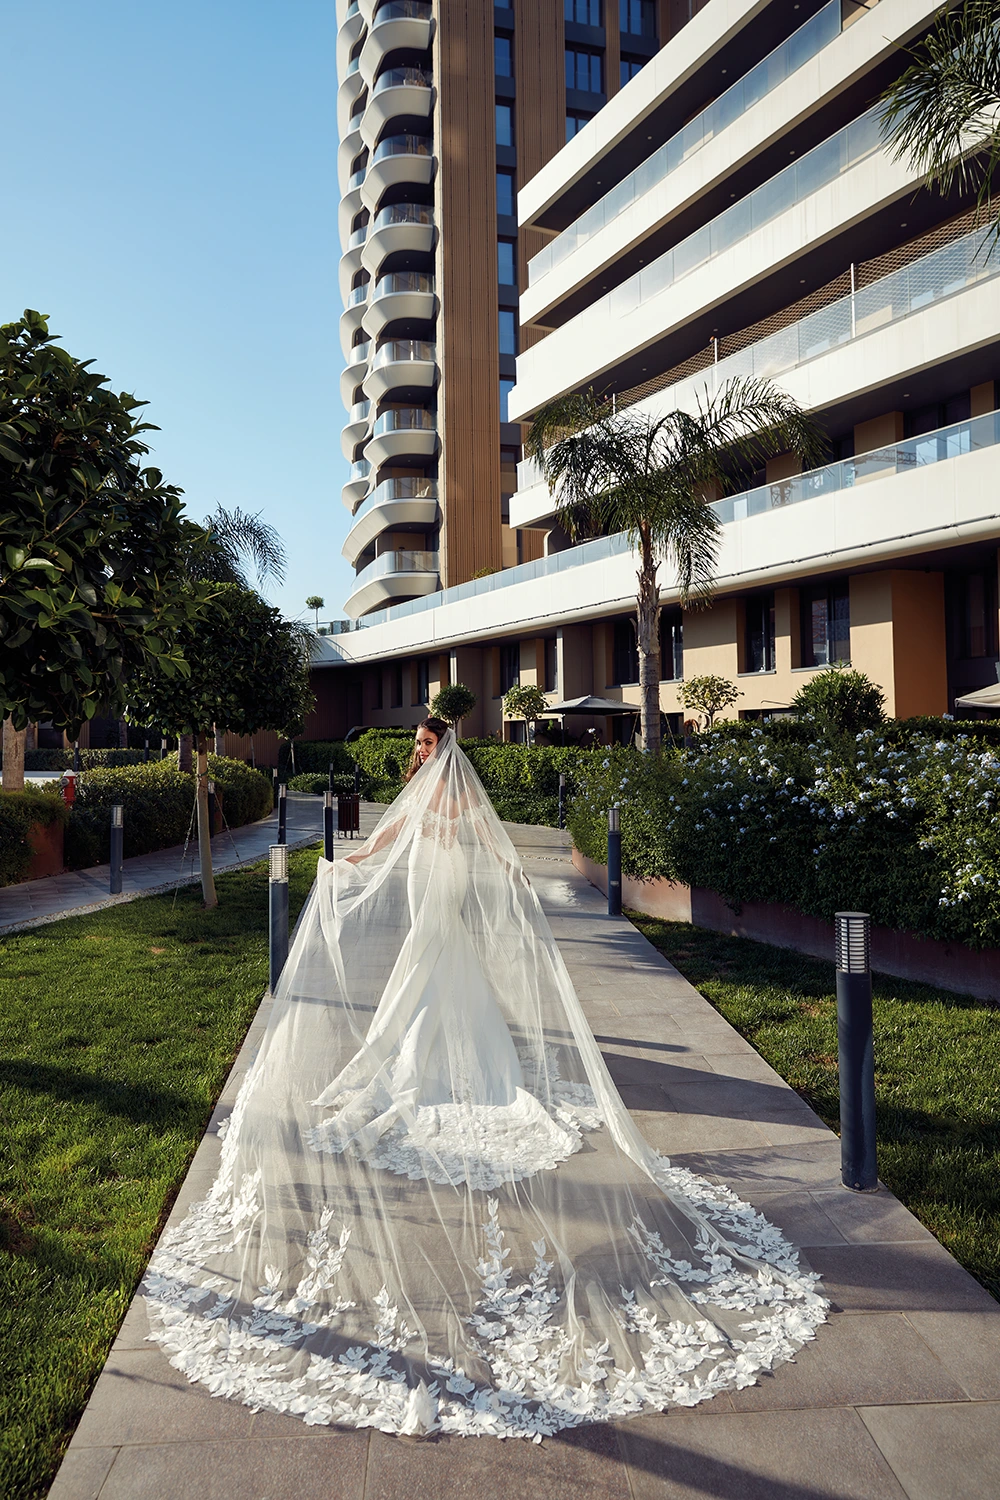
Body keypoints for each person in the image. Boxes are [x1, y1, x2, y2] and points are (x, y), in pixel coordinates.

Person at [143, 719, 827, 1440]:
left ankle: (435, 1063)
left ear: (444, 747)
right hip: (423, 893)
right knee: (423, 974)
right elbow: (390, 834)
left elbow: (490, 839)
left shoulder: (459, 794)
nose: (420, 751)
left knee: (434, 968)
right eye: (417, 743)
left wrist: (512, 874)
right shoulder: (417, 787)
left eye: (426, 743)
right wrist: (353, 861)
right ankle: (418, 1056)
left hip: (447, 895)